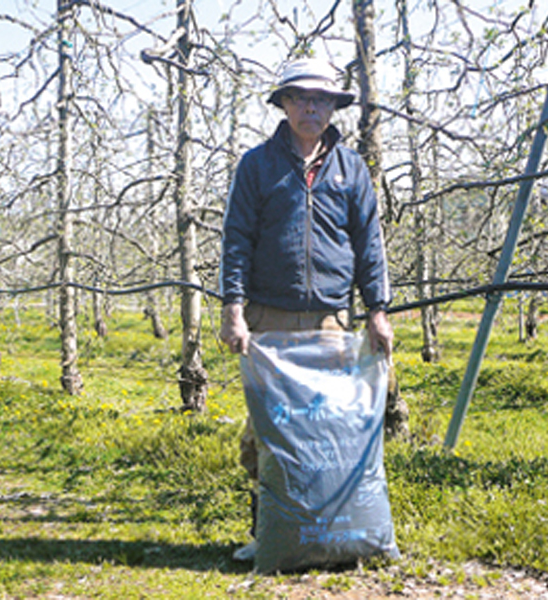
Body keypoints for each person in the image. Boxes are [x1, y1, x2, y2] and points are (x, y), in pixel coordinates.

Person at [219, 57, 393, 561]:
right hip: (268, 321)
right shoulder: (257, 165)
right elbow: (236, 241)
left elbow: (369, 245)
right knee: (269, 432)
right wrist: (233, 308)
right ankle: (270, 534)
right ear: (284, 105)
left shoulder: (351, 168)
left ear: (334, 108)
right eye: (300, 98)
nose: (311, 107)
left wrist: (377, 309)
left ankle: (333, 533)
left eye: (321, 100)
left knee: (331, 429)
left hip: (331, 320)